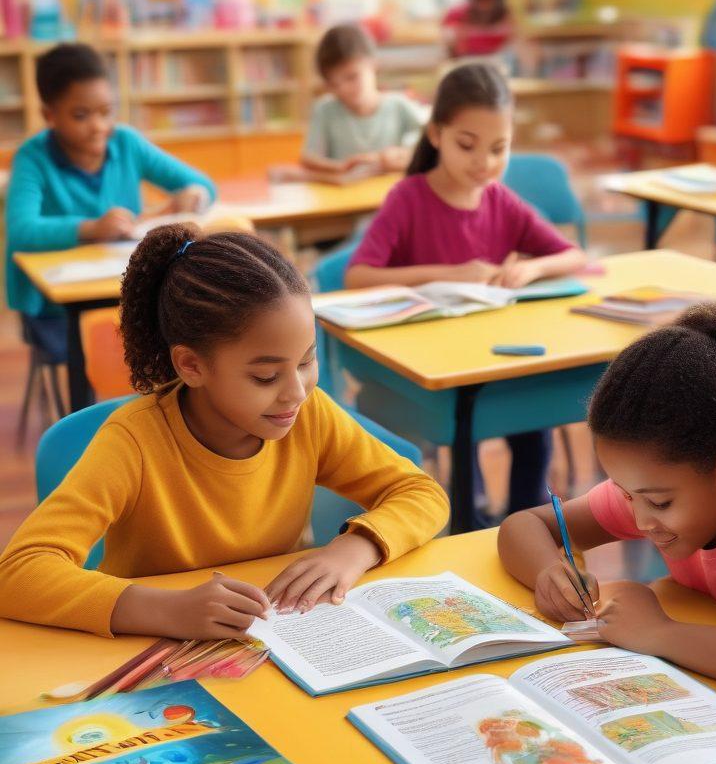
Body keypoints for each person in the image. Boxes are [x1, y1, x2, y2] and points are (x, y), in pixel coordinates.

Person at [0, 226, 449, 638]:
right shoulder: (134, 441)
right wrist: (166, 610)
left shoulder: (310, 415)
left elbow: (422, 493)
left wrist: (355, 548)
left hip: (278, 638)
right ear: (192, 366)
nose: (295, 392)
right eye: (265, 377)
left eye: (306, 361)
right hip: (157, 649)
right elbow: (18, 572)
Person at [498, 302, 716, 705]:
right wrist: (548, 572)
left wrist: (661, 634)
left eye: (658, 502)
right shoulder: (656, 489)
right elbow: (523, 526)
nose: (640, 520)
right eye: (625, 494)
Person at [345, 62, 587, 521]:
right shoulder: (410, 198)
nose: (484, 163)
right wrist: (449, 273)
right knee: (468, 426)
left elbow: (573, 256)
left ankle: (526, 524)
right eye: (467, 145)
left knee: (533, 419)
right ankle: (471, 518)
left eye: (499, 149)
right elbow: (359, 275)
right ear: (435, 134)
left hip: (498, 356)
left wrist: (531, 270)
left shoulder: (501, 200)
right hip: (434, 365)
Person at [5, 42, 216, 361]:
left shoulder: (126, 142)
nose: (99, 127)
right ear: (50, 115)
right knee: (119, 350)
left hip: (129, 291)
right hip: (58, 308)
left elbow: (203, 184)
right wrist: (91, 228)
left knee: (189, 333)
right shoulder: (33, 158)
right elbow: (21, 230)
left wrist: (193, 196)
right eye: (81, 115)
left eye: (106, 112)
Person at [301, 23, 424, 179]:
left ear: (373, 64)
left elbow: (430, 147)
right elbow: (308, 159)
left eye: (352, 77)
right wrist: (343, 167)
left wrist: (393, 158)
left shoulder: (400, 106)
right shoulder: (324, 110)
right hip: (345, 199)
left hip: (392, 196)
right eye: (334, 84)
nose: (343, 89)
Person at [441, 0, 515, 59]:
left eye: (489, 0)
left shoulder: (506, 15)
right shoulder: (457, 14)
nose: (485, 5)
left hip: (496, 62)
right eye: (481, 0)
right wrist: (454, 41)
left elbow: (514, 42)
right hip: (465, 61)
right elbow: (448, 42)